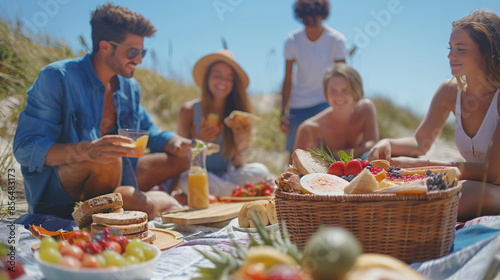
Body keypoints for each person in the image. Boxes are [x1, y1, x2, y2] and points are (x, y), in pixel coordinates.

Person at [13, 2, 191, 220]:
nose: (140, 59)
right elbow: (25, 148)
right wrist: (87, 150)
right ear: (106, 46)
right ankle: (143, 202)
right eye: (133, 51)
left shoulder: (129, 87)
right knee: (109, 162)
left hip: (117, 177)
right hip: (63, 192)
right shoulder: (57, 77)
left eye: (143, 51)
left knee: (183, 158)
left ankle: (135, 199)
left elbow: (146, 132)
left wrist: (172, 141)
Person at [368, 10, 500, 221]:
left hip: (494, 188)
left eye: (461, 49)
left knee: (458, 195)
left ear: (486, 52)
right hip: (477, 187)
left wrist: (419, 166)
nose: (450, 55)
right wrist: (388, 143)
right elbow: (420, 142)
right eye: (450, 47)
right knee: (428, 191)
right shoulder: (449, 91)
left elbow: (492, 174)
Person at [175, 49, 270, 197]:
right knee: (184, 179)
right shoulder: (189, 110)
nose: (222, 82)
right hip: (199, 173)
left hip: (225, 176)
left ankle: (218, 194)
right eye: (217, 75)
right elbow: (180, 161)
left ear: (234, 83)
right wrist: (199, 142)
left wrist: (241, 143)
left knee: (261, 170)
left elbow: (240, 164)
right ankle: (239, 194)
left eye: (229, 77)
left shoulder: (239, 116)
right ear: (207, 78)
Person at [280, 0, 348, 162]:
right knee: (295, 156)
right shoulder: (292, 41)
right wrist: (283, 112)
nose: (310, 25)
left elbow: (343, 78)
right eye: (305, 21)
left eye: (314, 20)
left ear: (322, 17)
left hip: (326, 103)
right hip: (298, 105)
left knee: (325, 156)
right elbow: (287, 79)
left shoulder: (337, 40)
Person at [294, 64, 378, 159]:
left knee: (370, 156)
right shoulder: (309, 128)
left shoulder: (365, 109)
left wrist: (336, 155)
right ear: (326, 92)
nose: (339, 96)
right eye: (333, 91)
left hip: (360, 166)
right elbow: (296, 167)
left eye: (345, 90)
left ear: (356, 91)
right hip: (326, 172)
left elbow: (373, 143)